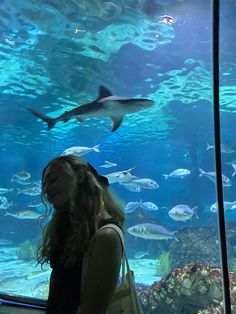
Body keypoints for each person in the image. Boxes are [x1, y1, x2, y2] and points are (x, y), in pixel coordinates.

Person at [37, 155, 125, 314]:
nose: (47, 189)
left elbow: (92, 309)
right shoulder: (70, 230)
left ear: (79, 177)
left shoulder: (106, 236)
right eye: (44, 184)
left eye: (53, 180)